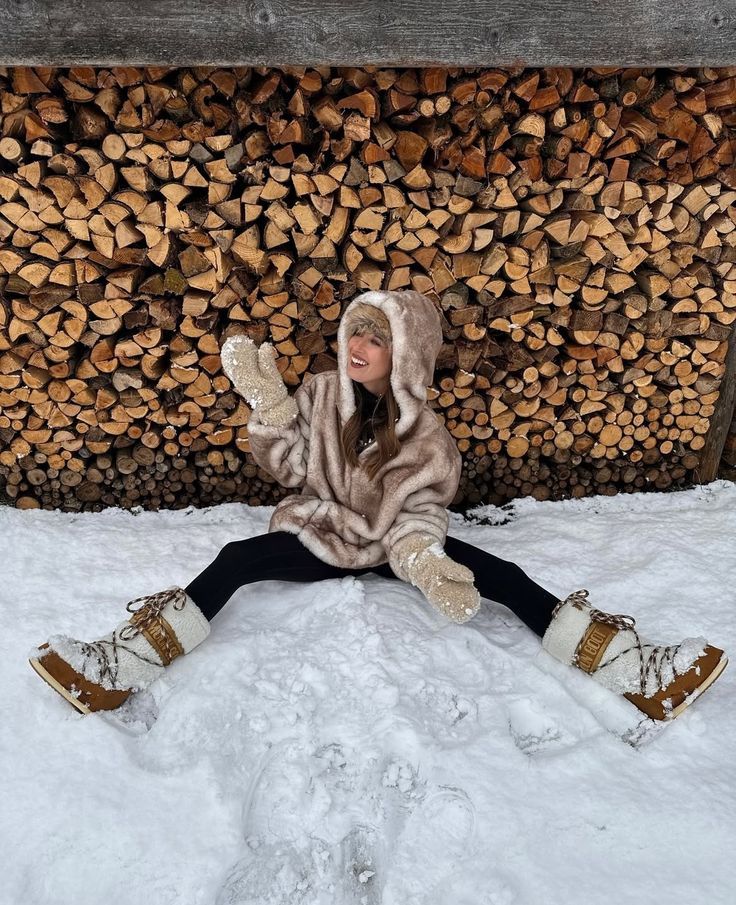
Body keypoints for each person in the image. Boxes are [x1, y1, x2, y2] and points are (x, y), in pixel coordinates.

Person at [29, 290, 728, 725]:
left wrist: (424, 559)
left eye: (376, 338)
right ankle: (115, 670)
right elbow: (290, 469)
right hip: (324, 533)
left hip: (397, 546)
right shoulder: (323, 391)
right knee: (237, 558)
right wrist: (270, 405)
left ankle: (637, 673)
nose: (358, 347)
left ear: (406, 355)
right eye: (355, 333)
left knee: (506, 578)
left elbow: (422, 508)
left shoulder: (427, 435)